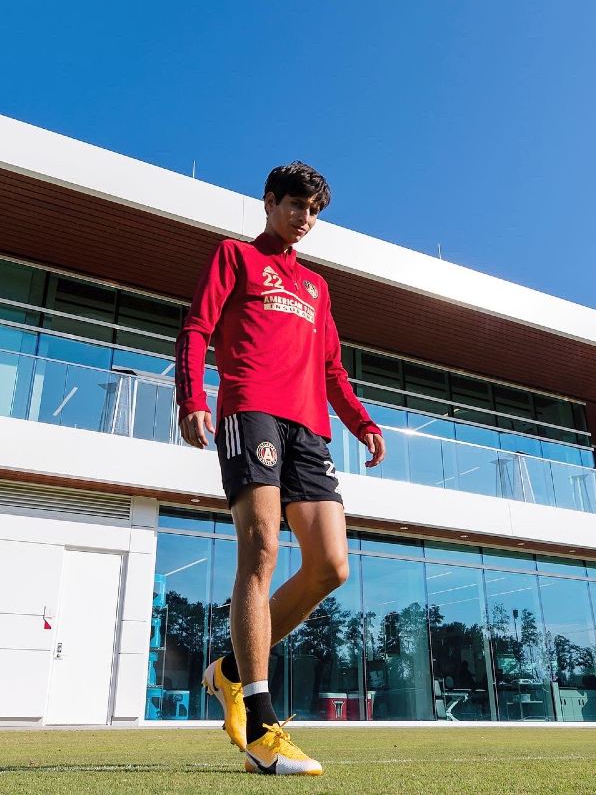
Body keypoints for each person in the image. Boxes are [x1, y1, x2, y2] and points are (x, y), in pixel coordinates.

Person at [175, 162, 386, 776]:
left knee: (330, 567)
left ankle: (232, 672)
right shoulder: (235, 256)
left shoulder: (318, 288)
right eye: (295, 205)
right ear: (269, 203)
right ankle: (262, 729)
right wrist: (191, 397)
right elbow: (195, 327)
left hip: (309, 429)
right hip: (251, 411)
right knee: (262, 549)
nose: (305, 219)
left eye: (314, 211)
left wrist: (363, 422)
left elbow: (332, 371)